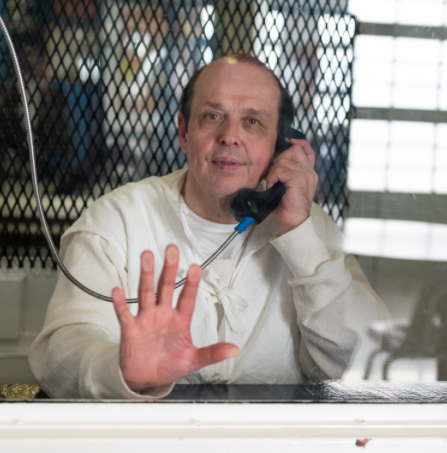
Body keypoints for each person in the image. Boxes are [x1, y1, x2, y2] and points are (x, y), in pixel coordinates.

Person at [29, 54, 385, 399]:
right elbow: (61, 353)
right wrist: (119, 371)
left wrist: (298, 235)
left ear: (281, 144)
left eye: (253, 121)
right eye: (213, 115)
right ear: (184, 132)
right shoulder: (115, 221)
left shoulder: (310, 226)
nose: (230, 136)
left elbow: (366, 362)